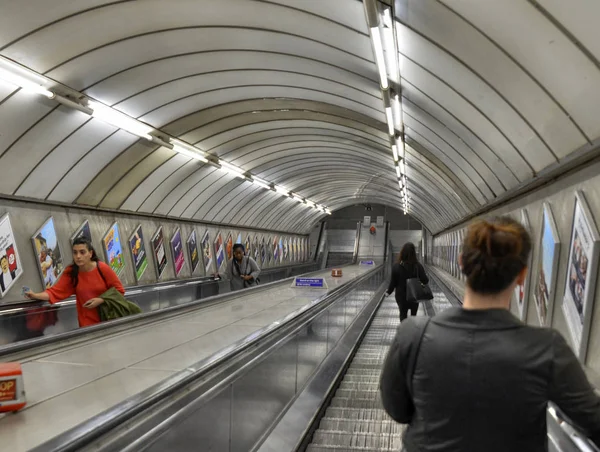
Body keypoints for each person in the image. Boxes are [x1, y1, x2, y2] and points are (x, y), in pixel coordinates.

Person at [380, 217, 600, 452]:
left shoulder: (413, 335)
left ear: (461, 262)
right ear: (522, 275)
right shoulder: (546, 349)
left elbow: (397, 409)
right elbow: (593, 421)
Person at [25, 237, 125, 328]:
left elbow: (120, 291)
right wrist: (34, 295)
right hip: (87, 324)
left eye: (82, 252)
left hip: (109, 321)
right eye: (75, 252)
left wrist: (101, 300)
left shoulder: (102, 269)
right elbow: (55, 292)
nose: (78, 256)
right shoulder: (71, 272)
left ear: (90, 253)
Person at [387, 242, 429, 321]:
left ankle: (403, 331)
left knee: (402, 314)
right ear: (414, 253)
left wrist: (388, 292)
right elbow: (425, 280)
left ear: (402, 253)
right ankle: (412, 330)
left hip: (401, 296)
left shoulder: (396, 266)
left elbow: (393, 282)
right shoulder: (418, 266)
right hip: (414, 295)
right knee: (413, 315)